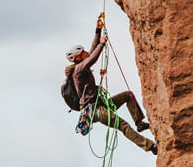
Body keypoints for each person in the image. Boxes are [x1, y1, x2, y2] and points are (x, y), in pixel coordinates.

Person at [63, 14, 157, 154]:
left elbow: (92, 51)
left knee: (128, 95)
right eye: (83, 52)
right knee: (123, 126)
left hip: (99, 105)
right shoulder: (79, 70)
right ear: (77, 57)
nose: (87, 52)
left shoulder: (80, 67)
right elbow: (92, 58)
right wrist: (102, 43)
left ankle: (139, 123)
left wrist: (98, 30)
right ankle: (150, 147)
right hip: (95, 110)